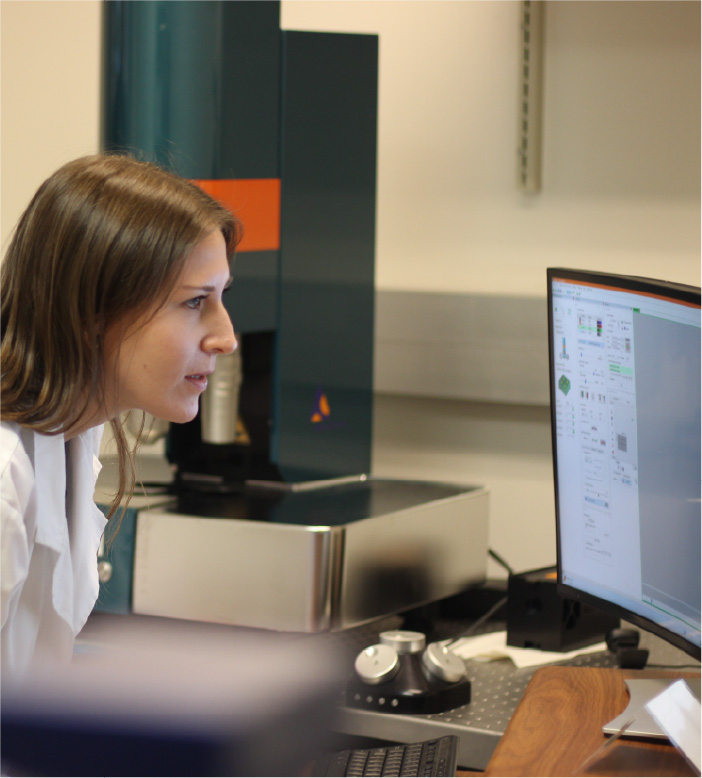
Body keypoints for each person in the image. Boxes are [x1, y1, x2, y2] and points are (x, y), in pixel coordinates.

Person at [1, 154, 242, 677]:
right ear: (92, 311)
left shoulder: (69, 437)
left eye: (222, 297)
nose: (226, 337)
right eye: (195, 302)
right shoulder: (4, 472)